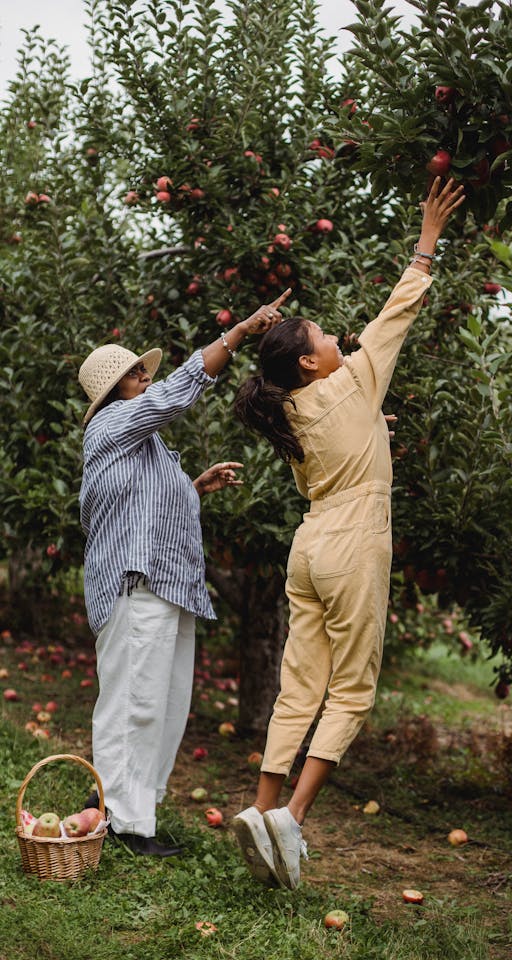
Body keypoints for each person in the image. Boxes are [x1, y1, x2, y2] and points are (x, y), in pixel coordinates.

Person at [231, 177, 465, 888]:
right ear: (309, 360)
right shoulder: (356, 378)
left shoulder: (291, 416)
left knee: (298, 686)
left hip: (310, 548)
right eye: (325, 337)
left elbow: (334, 457)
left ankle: (261, 808)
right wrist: (426, 243)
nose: (339, 338)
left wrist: (374, 429)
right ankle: (293, 822)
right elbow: (397, 313)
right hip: (356, 543)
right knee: (353, 691)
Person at [78, 290, 290, 857]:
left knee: (166, 704)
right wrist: (239, 333)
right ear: (112, 391)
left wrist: (194, 487)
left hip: (168, 585)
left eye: (143, 372)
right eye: (135, 374)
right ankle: (121, 822)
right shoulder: (112, 426)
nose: (145, 378)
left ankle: (135, 813)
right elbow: (175, 394)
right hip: (135, 584)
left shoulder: (145, 446)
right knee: (134, 703)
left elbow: (143, 509)